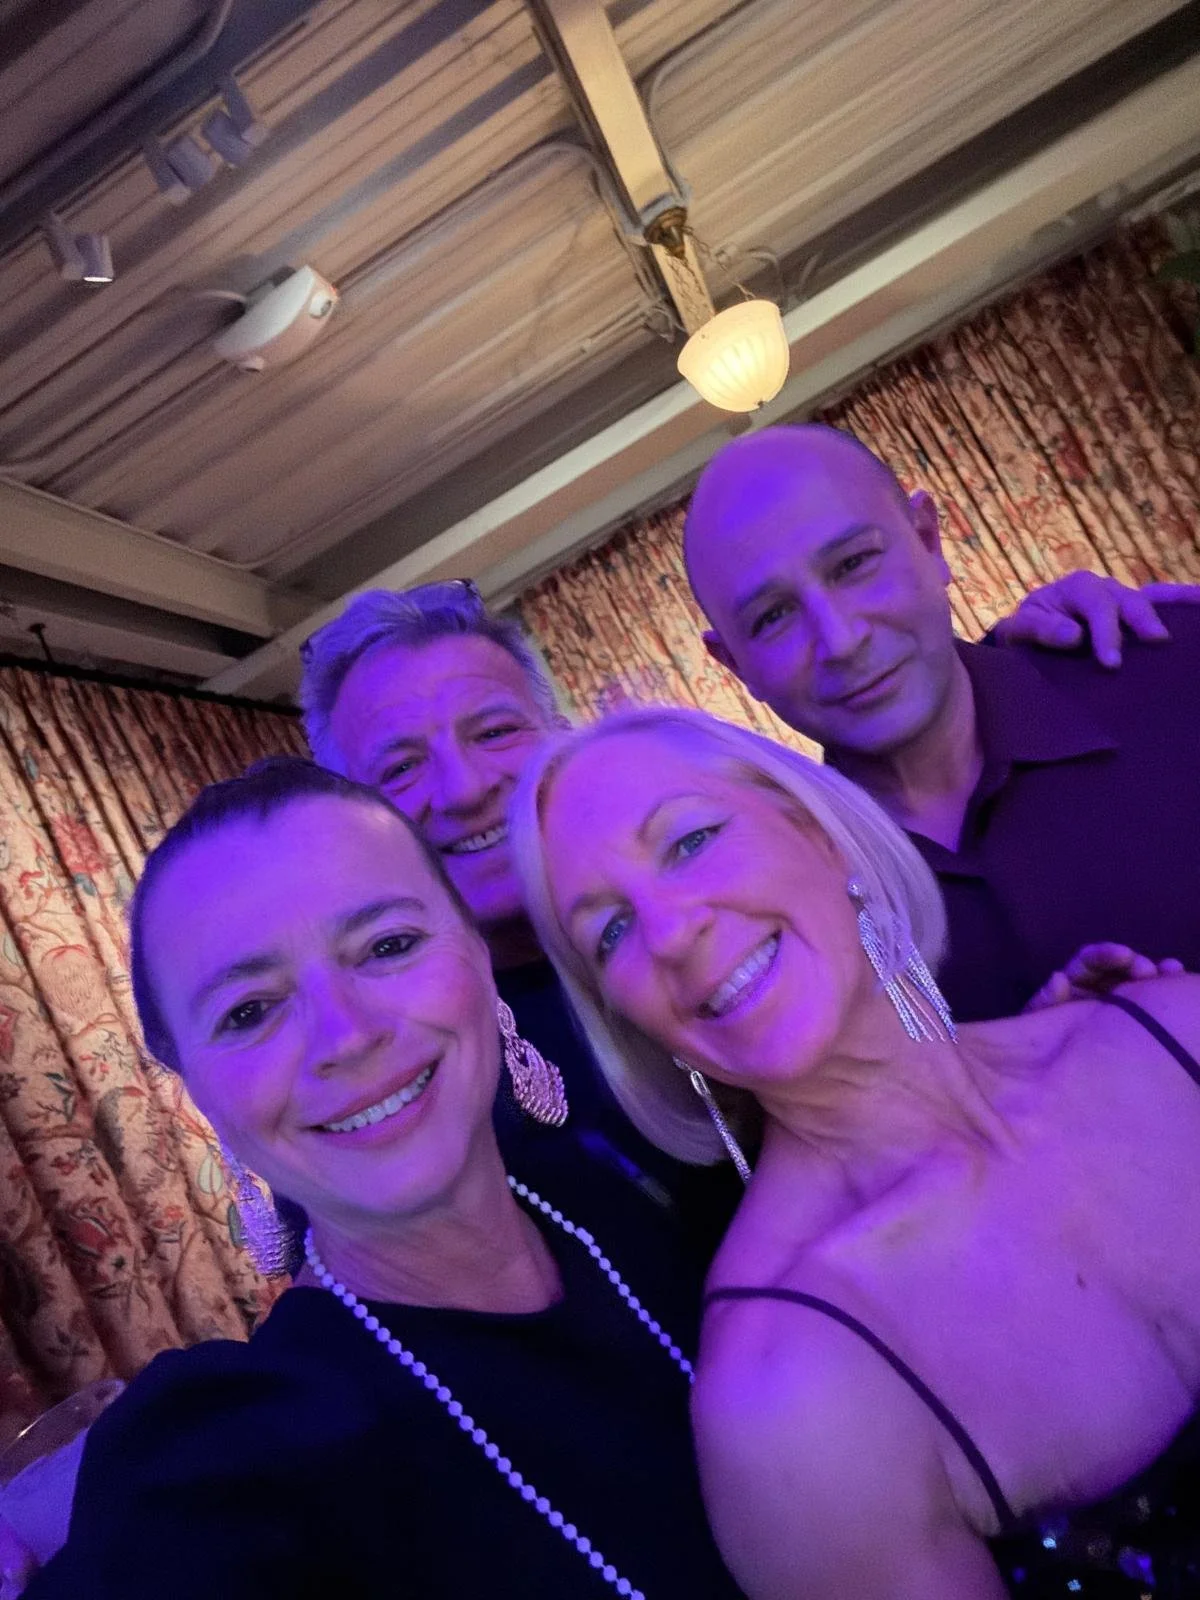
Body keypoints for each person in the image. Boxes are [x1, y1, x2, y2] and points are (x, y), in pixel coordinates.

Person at [511, 705, 1200, 1600]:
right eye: (609, 934)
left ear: (819, 834)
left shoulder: (1173, 1032)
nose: (671, 933)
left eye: (688, 843)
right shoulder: (787, 1395)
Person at [25, 758, 740, 1600]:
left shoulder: (634, 1193)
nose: (347, 1034)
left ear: (478, 957)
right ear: (196, 1089)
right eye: (249, 1010)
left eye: (388, 946)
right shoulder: (233, 1460)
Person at [683, 424, 1200, 1019]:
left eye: (854, 564)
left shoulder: (1172, 667)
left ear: (929, 541)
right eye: (773, 616)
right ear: (734, 665)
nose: (841, 640)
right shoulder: (789, 921)